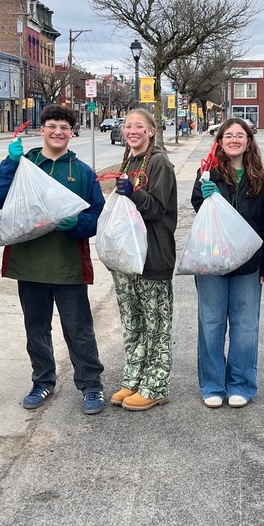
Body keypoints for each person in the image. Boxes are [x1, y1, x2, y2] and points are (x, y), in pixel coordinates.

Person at [0, 104, 107, 415]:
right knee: (36, 328)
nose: (58, 132)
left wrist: (77, 225)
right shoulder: (25, 164)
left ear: (72, 133)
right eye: (52, 125)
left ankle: (91, 385)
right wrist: (10, 164)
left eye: (64, 127)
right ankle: (42, 381)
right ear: (41, 129)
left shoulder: (82, 173)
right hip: (29, 264)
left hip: (68, 266)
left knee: (78, 328)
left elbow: (98, 217)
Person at [190, 117, 264, 409]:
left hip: (248, 264)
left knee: (245, 326)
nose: (234, 140)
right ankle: (213, 385)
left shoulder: (258, 178)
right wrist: (205, 196)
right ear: (220, 141)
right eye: (229, 135)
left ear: (249, 142)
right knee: (211, 324)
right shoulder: (207, 173)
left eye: (241, 135)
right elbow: (199, 210)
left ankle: (241, 384)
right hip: (212, 262)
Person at [110, 108, 178, 411]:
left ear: (151, 131)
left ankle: (156, 385)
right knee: (133, 322)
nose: (132, 131)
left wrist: (133, 193)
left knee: (156, 325)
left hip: (153, 256)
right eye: (128, 126)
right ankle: (134, 377)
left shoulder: (160, 162)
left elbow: (157, 208)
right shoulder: (130, 160)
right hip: (129, 258)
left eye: (139, 126)